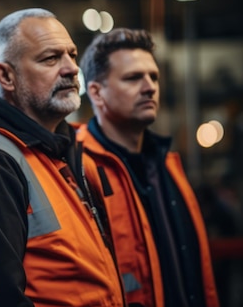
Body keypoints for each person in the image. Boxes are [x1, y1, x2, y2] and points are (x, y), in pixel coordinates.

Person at [0, 8, 125, 306]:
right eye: (50, 59)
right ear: (6, 75)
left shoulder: (62, 147)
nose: (70, 69)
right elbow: (1, 293)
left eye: (72, 55)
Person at [77, 27, 219, 307]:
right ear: (96, 92)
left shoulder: (167, 163)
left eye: (153, 76)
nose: (150, 86)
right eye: (133, 78)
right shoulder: (79, 169)